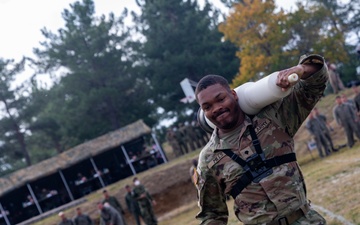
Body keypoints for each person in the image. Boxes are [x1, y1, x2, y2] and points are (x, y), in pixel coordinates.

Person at [193, 54, 327, 224]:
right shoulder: (209, 159)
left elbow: (315, 84)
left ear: (234, 95)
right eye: (207, 107)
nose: (217, 108)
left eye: (221, 99)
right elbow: (211, 215)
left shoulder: (274, 119)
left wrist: (301, 69)